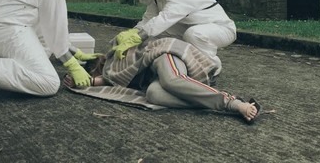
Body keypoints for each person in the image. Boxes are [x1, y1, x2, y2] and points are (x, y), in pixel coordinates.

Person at [65, 37, 261, 124]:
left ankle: (233, 103)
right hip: (154, 75)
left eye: (90, 68)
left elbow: (141, 43)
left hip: (162, 55)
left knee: (172, 80)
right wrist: (79, 81)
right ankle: (202, 100)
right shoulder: (108, 76)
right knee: (153, 94)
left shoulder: (112, 52)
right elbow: (98, 82)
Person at [114, 0, 237, 77]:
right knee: (156, 35)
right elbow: (148, 20)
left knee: (193, 34)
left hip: (222, 29)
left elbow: (165, 18)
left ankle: (211, 67)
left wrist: (138, 37)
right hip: (191, 26)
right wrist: (131, 34)